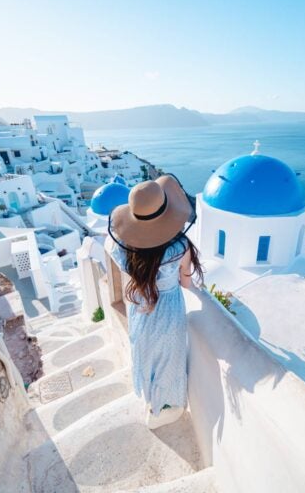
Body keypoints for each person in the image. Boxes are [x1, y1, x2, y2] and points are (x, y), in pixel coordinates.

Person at [106, 175, 203, 430]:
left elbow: (117, 250)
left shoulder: (124, 250)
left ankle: (152, 400)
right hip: (169, 308)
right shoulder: (179, 247)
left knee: (147, 352)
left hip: (141, 306)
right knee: (169, 358)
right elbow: (185, 283)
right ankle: (166, 407)